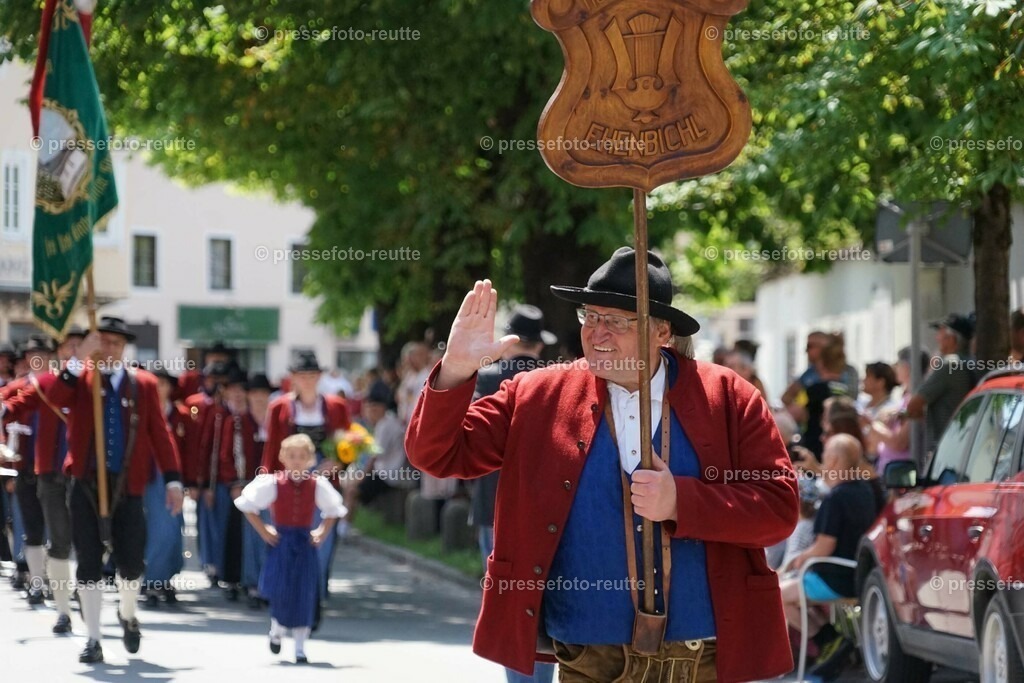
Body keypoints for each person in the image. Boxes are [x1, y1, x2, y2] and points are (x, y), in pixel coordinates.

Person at [406, 248, 799, 682]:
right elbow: (437, 454)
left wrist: (681, 502)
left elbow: (778, 510)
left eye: (617, 321)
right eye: (590, 317)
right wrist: (456, 370)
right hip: (587, 655)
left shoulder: (728, 396)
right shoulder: (537, 395)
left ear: (662, 330)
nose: (597, 334)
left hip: (703, 657)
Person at [44, 317, 185, 663]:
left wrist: (173, 480)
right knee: (88, 562)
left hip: (129, 486)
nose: (108, 349)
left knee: (131, 562)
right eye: (102, 342)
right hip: (85, 484)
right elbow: (54, 397)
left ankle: (127, 612)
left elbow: (160, 433)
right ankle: (93, 638)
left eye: (115, 344)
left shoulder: (144, 385)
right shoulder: (79, 379)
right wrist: (78, 360)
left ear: (124, 349)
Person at [471, 303, 559, 683]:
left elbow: (469, 443)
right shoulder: (557, 380)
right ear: (539, 346)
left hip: (492, 504)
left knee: (508, 602)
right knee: (542, 605)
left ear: (510, 342)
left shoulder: (487, 379)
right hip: (545, 510)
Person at [234, 433, 346, 664]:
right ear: (283, 458)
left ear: (310, 460)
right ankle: (276, 629)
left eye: (302, 456)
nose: (297, 461)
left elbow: (334, 510)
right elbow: (248, 506)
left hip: (304, 544)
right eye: (292, 456)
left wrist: (322, 532)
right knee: (281, 591)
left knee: (304, 593)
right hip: (282, 543)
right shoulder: (274, 482)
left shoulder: (316, 485)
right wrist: (264, 530)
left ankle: (300, 648)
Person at [780, 434, 885, 677]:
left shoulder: (836, 498)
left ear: (836, 461)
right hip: (859, 574)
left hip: (834, 577)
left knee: (778, 596)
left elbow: (824, 547)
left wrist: (799, 559)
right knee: (793, 591)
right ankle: (833, 640)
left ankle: (829, 640)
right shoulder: (864, 490)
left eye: (826, 459)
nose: (823, 465)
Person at [261, 352, 350, 625]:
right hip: (289, 489)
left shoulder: (336, 407)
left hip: (322, 487)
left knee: (319, 550)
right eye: (303, 376)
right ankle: (285, 609)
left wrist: (337, 464)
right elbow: (271, 451)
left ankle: (313, 605)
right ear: (293, 379)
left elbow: (347, 447)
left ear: (320, 378)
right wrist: (267, 485)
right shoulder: (280, 408)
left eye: (313, 376)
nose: (308, 381)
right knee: (288, 552)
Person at [143, 369, 187, 606]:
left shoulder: (181, 415)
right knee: (153, 529)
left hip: (172, 476)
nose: (159, 388)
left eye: (163, 384)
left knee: (172, 529)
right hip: (146, 474)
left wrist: (190, 480)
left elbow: (190, 449)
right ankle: (150, 581)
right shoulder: (140, 412)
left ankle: (165, 578)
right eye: (155, 384)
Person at [907, 313, 977, 457]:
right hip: (969, 446)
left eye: (940, 333)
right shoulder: (973, 362)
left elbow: (913, 406)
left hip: (945, 451)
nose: (937, 338)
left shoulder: (949, 364)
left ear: (951, 339)